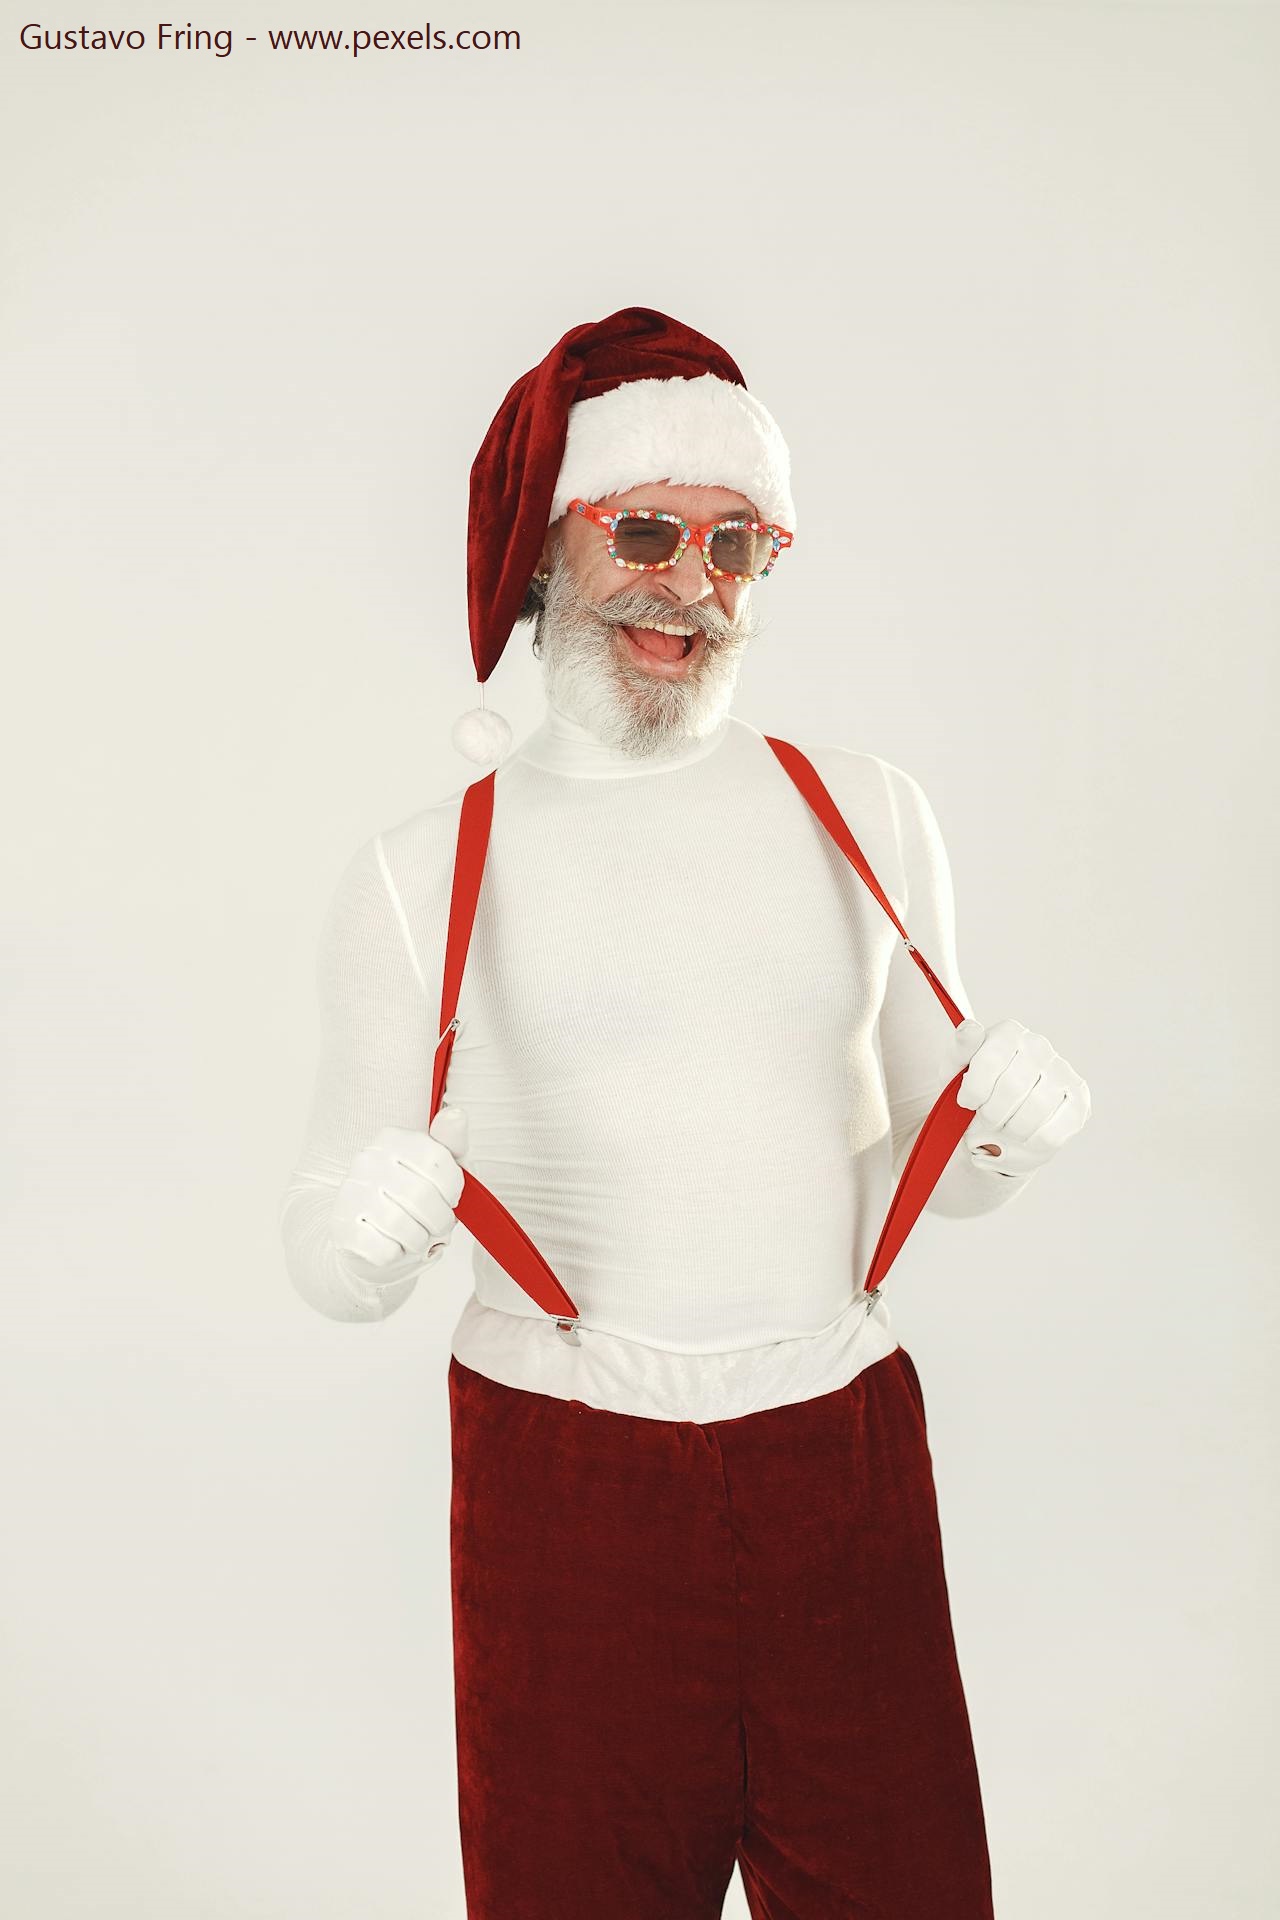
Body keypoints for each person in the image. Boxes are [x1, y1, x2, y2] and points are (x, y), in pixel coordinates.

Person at [279, 307, 1090, 1920]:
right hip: (567, 1491)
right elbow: (322, 1245)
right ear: (543, 546)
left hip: (841, 1458)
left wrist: (1004, 1131)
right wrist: (362, 1233)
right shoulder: (418, 872)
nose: (692, 583)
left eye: (737, 543)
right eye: (644, 531)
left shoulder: (868, 813)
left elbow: (929, 1165)